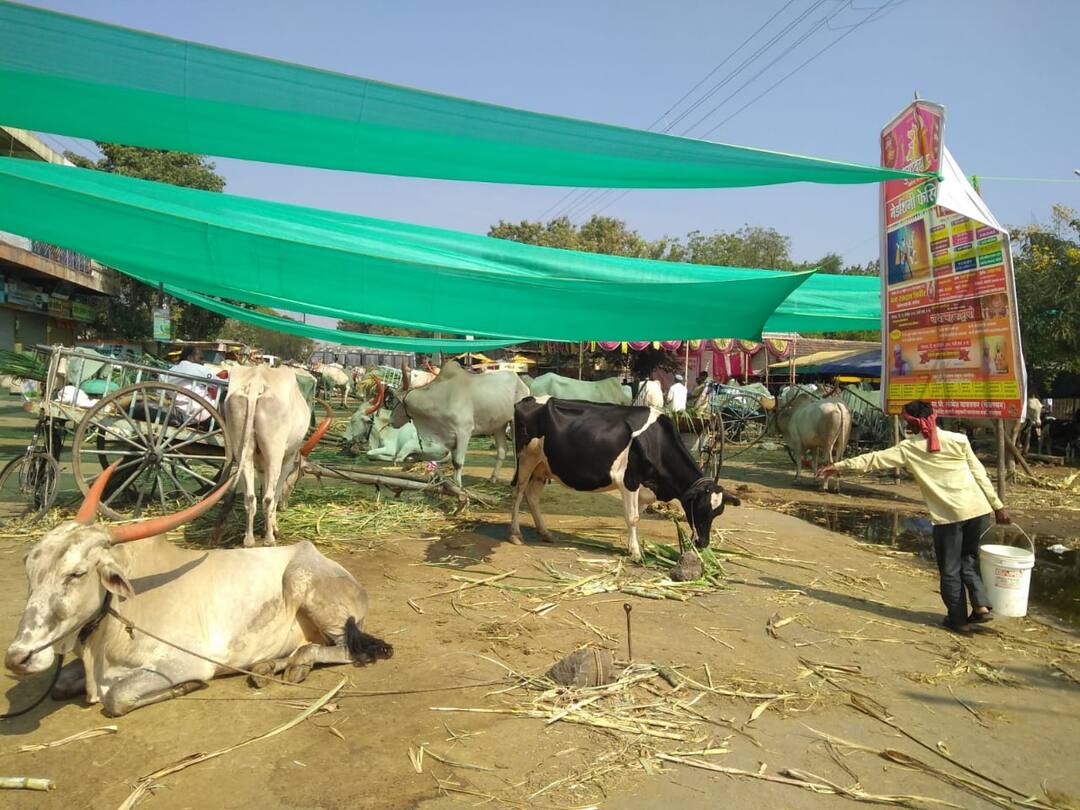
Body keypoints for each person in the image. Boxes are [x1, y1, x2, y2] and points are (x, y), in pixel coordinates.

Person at [818, 400, 1010, 634]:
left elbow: (874, 460)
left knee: (950, 569)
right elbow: (980, 475)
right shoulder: (959, 440)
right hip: (979, 510)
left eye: (907, 420)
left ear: (912, 423)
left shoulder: (910, 448)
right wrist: (998, 507)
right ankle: (980, 606)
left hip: (950, 516)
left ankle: (958, 620)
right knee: (968, 560)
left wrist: (839, 466)